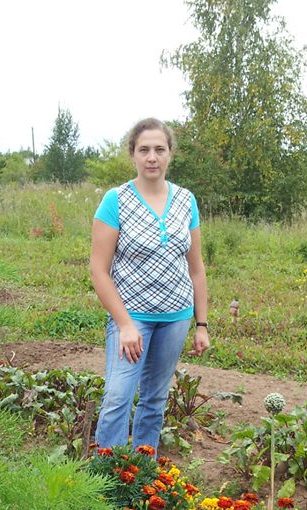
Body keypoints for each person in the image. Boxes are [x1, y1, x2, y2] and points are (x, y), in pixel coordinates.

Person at [90, 117, 210, 453]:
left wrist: (201, 324)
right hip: (132, 320)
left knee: (155, 400)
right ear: (133, 155)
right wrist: (125, 324)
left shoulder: (186, 201)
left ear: (170, 154)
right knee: (117, 397)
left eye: (159, 149)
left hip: (175, 318)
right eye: (144, 150)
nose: (152, 157)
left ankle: (141, 480)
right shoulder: (115, 201)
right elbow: (99, 271)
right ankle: (106, 483)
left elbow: (197, 268)